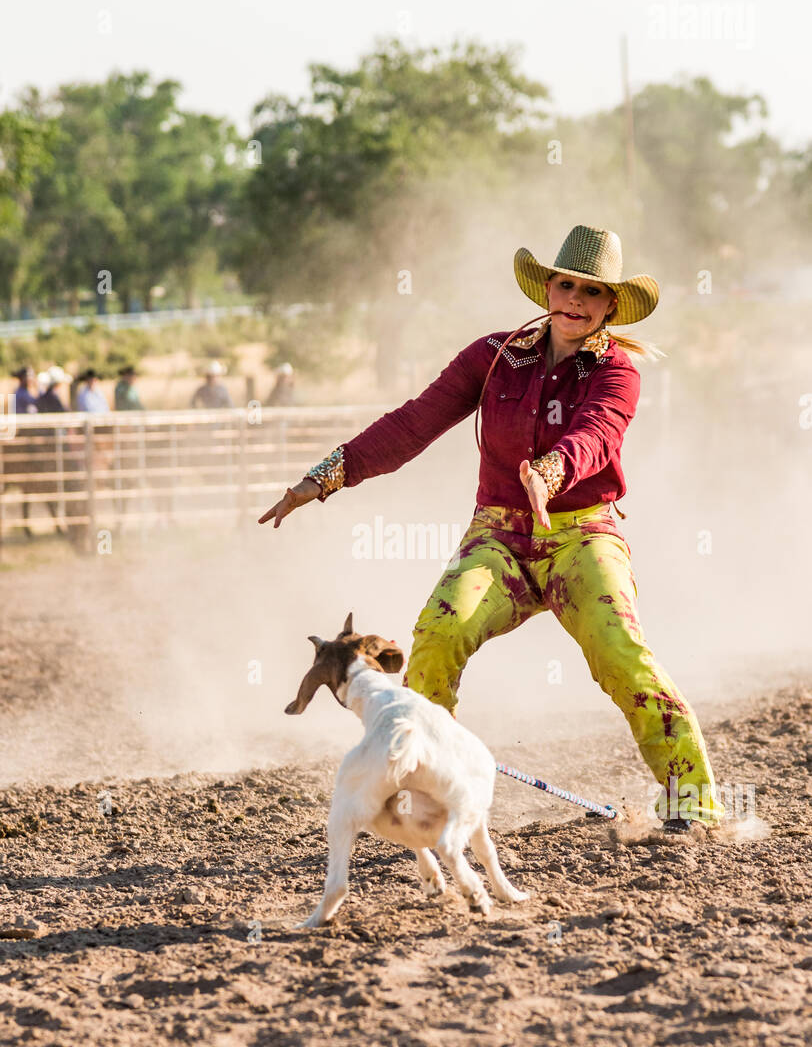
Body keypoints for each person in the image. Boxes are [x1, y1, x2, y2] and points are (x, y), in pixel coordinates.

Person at [259, 224, 726, 833]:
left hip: (583, 537)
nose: (576, 300)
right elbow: (413, 424)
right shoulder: (493, 358)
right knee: (437, 632)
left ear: (611, 304)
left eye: (592, 291)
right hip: (499, 538)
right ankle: (431, 799)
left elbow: (599, 432)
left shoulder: (617, 372)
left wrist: (552, 471)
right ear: (547, 288)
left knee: (621, 654)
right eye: (567, 285)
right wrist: (324, 478)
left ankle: (694, 806)